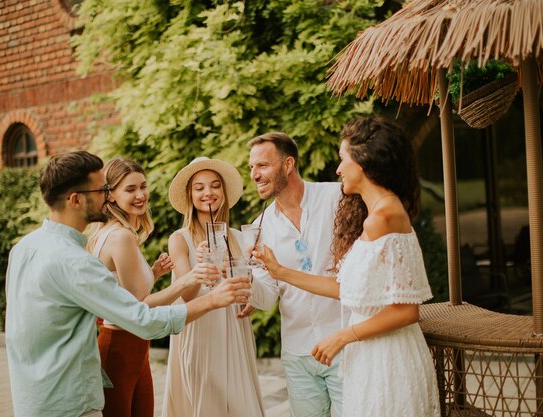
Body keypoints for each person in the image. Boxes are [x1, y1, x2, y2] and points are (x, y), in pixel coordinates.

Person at [5, 151, 250, 417]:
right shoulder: (76, 260)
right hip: (69, 400)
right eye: (102, 189)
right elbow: (141, 317)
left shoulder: (24, 248)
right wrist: (211, 298)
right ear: (75, 200)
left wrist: (154, 276)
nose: (107, 196)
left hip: (32, 397)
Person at [255, 116, 441, 416]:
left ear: (364, 161)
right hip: (367, 356)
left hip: (387, 358)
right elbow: (346, 289)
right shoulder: (375, 214)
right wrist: (279, 273)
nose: (339, 168)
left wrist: (343, 335)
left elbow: (407, 310)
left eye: (343, 159)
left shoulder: (384, 216)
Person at [86, 158, 206, 417]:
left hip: (135, 346)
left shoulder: (113, 232)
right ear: (111, 195)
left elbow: (123, 291)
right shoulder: (121, 237)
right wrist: (186, 280)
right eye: (130, 189)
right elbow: (135, 307)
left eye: (143, 186)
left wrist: (153, 272)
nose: (140, 195)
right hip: (119, 348)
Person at [244, 133, 344, 417]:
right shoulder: (258, 228)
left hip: (345, 343)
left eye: (262, 166)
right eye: (251, 168)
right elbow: (265, 297)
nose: (254, 175)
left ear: (288, 164)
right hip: (299, 354)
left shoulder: (336, 197)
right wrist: (244, 280)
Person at [161, 156, 265, 417]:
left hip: (235, 330)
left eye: (215, 185)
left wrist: (251, 294)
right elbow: (186, 296)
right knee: (206, 405)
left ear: (224, 192)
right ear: (190, 196)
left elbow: (249, 287)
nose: (208, 192)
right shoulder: (179, 240)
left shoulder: (240, 238)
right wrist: (203, 265)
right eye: (199, 187)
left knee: (241, 406)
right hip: (200, 334)